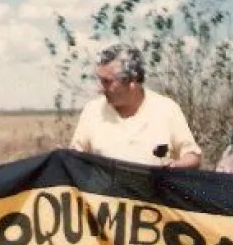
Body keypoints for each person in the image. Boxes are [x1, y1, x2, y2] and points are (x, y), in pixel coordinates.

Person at [70, 44, 202, 168]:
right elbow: (74, 160)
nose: (99, 89)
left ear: (132, 82)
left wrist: (176, 166)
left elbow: (192, 156)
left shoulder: (166, 109)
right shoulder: (92, 111)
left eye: (107, 82)